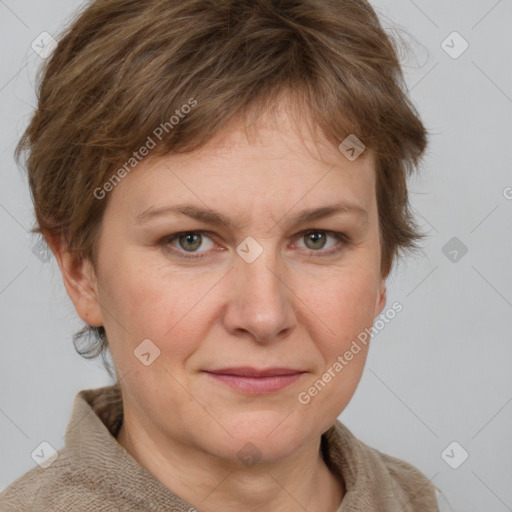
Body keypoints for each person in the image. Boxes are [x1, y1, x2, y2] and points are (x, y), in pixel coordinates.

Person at [0, 0, 450, 510]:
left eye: (317, 238)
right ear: (81, 271)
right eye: (189, 240)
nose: (264, 316)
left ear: (382, 267)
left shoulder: (414, 500)